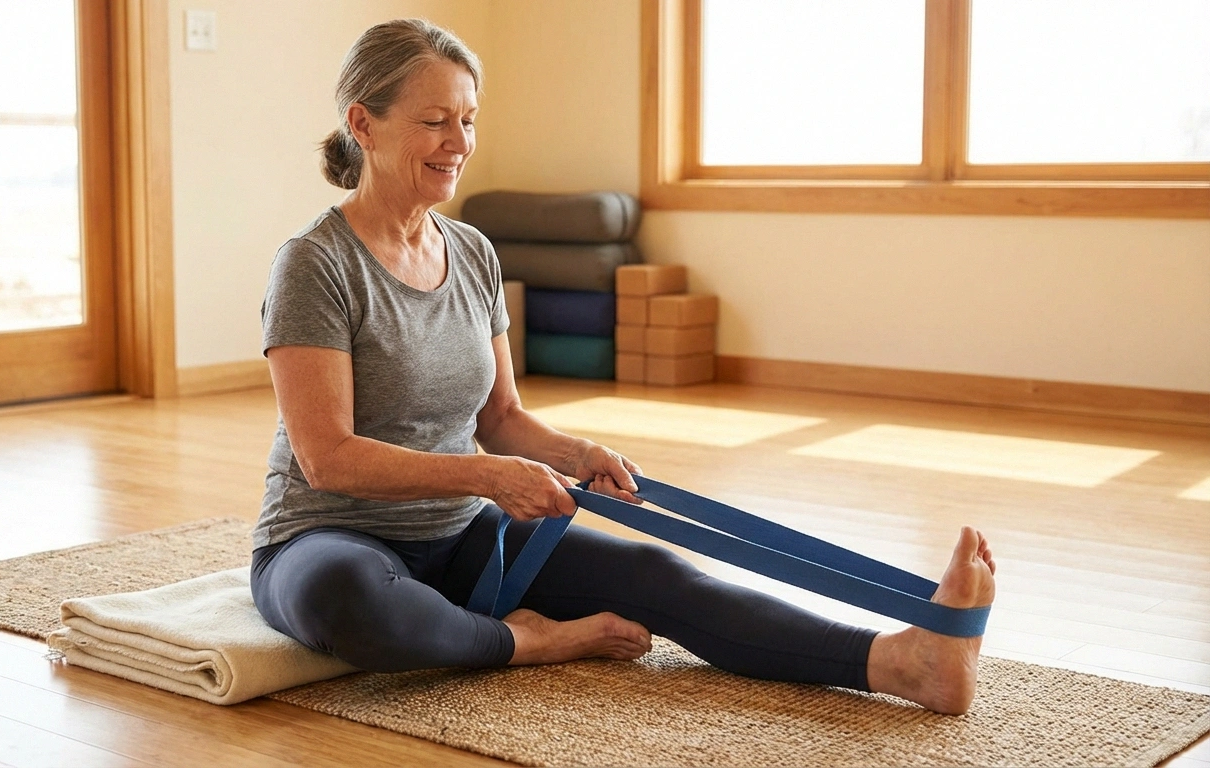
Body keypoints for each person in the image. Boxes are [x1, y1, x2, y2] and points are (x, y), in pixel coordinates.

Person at [251, 18, 997, 715]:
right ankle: (536, 641)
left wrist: (578, 456)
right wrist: (487, 478)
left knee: (657, 575)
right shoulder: (315, 264)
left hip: (459, 534)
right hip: (331, 538)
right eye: (434, 121)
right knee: (348, 596)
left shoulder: (471, 251)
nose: (459, 141)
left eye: (468, 119)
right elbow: (328, 459)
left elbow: (500, 419)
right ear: (362, 122)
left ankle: (905, 663)